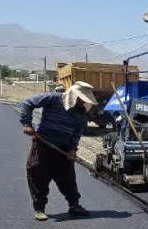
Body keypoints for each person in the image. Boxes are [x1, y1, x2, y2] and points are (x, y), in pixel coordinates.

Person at [19, 82, 98, 221]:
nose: (83, 102)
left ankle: (74, 206)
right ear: (74, 96)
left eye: (85, 100)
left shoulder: (81, 114)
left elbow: (77, 133)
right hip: (43, 145)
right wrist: (27, 123)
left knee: (68, 179)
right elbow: (27, 103)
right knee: (38, 176)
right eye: (81, 99)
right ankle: (39, 209)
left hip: (64, 149)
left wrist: (73, 149)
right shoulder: (53, 98)